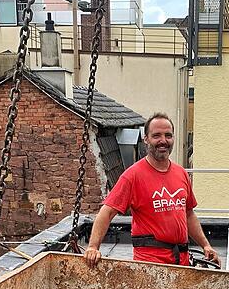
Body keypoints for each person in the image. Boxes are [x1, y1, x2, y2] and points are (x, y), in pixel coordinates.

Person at [84, 113, 219, 267]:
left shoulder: (181, 173)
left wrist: (205, 245)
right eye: (156, 136)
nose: (163, 141)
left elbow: (188, 214)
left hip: (181, 262)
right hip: (150, 264)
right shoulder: (133, 176)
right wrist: (93, 247)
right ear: (146, 139)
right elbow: (107, 212)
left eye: (168, 135)